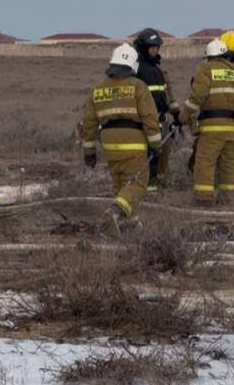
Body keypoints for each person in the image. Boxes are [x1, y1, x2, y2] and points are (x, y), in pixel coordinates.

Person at [80, 43, 161, 234]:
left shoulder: (98, 89)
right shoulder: (138, 86)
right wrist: (155, 144)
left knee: (120, 184)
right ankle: (115, 212)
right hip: (133, 140)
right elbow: (150, 118)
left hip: (109, 143)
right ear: (133, 64)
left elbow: (89, 124)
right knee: (138, 184)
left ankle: (127, 224)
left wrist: (89, 152)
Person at [178, 34, 234, 205]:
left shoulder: (205, 69)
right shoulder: (232, 71)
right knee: (229, 165)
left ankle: (204, 199)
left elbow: (197, 97)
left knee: (205, 162)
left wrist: (183, 116)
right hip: (231, 129)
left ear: (209, 56)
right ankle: (228, 200)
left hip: (212, 128)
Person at [131, 28, 181, 193]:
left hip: (161, 120)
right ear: (143, 47)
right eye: (152, 47)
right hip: (144, 122)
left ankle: (157, 186)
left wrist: (177, 117)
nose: (155, 50)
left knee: (160, 157)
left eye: (157, 47)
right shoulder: (136, 69)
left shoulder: (158, 70)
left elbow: (167, 96)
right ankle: (147, 191)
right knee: (148, 158)